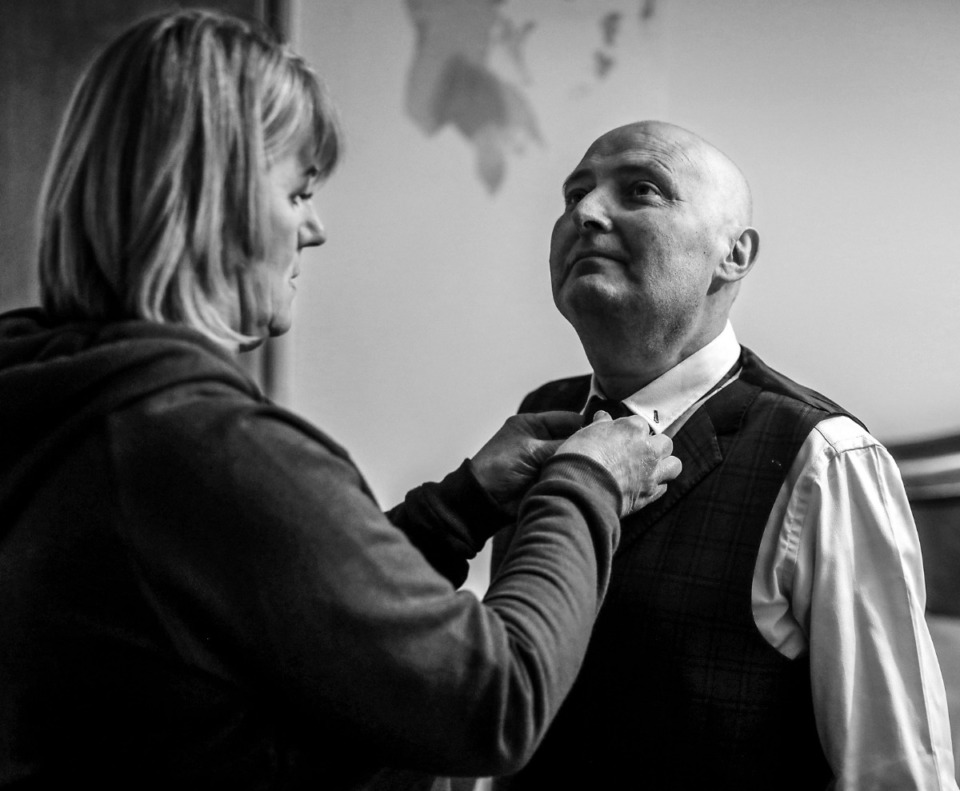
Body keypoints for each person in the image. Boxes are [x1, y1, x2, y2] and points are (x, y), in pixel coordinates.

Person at [0, 14, 683, 789]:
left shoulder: (60, 400)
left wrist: (457, 507)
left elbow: (279, 609)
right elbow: (496, 701)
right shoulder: (196, 446)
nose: (314, 228)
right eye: (297, 192)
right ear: (209, 201)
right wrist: (586, 484)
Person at [491, 120, 959, 790]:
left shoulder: (825, 459)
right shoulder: (537, 421)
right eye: (574, 195)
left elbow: (894, 771)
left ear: (733, 254)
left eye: (641, 189)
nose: (585, 213)